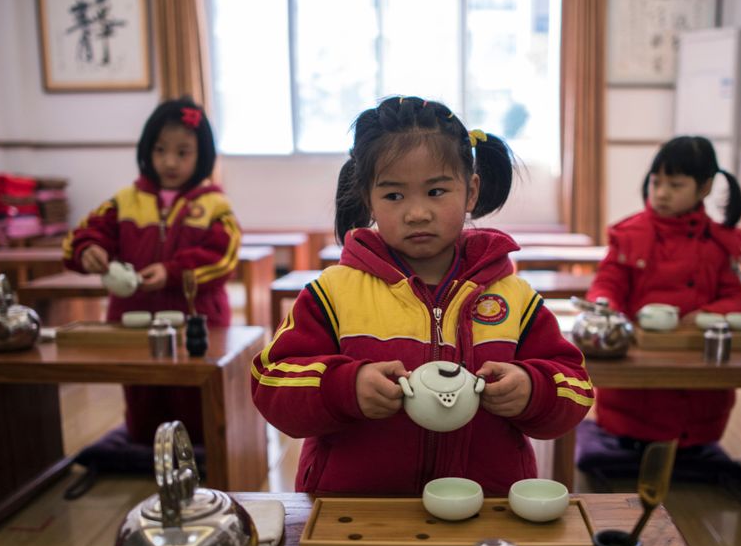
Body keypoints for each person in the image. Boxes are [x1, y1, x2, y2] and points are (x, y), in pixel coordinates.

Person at [251, 96, 593, 495]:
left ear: (470, 192)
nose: (417, 213)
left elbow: (577, 387)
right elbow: (270, 382)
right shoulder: (333, 292)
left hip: (486, 508)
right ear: (369, 201)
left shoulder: (513, 297)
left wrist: (533, 388)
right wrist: (345, 386)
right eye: (394, 196)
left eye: (436, 191)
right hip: (354, 512)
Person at [63, 97, 241, 449]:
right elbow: (81, 236)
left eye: (182, 152)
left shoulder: (213, 204)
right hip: (132, 323)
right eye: (160, 150)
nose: (169, 161)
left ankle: (197, 454)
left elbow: (224, 256)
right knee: (143, 398)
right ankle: (145, 447)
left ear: (201, 154)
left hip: (195, 321)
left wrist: (173, 271)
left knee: (193, 400)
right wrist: (89, 251)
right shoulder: (125, 200)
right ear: (147, 151)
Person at [582, 135, 741, 454]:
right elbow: (609, 281)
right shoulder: (631, 235)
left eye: (675, 185)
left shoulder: (720, 243)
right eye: (656, 182)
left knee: (695, 422)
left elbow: (738, 299)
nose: (661, 193)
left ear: (704, 188)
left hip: (696, 361)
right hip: (640, 365)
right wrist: (606, 305)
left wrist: (701, 317)